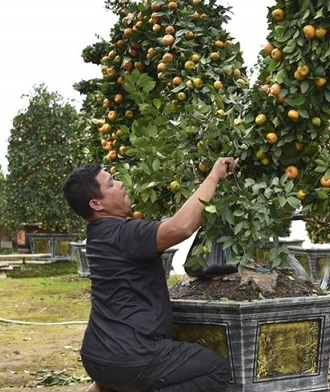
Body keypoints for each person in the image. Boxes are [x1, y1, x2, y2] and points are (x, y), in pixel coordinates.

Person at [62, 157, 237, 392]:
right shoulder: (126, 234)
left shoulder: (98, 234)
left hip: (97, 357)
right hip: (134, 357)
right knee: (216, 370)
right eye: (111, 184)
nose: (120, 184)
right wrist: (214, 175)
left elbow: (172, 225)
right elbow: (181, 227)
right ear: (96, 204)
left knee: (119, 380)